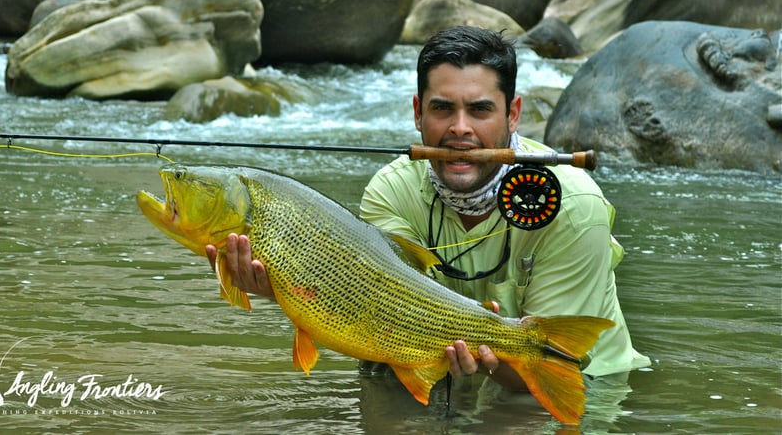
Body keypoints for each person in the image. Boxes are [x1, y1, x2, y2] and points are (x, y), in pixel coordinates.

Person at [209, 25, 650, 396]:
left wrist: (489, 348)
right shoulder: (392, 191)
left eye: (480, 110)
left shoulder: (572, 205)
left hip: (586, 385)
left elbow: (556, 363)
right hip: (445, 374)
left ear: (513, 115)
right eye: (442, 109)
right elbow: (370, 319)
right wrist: (287, 286)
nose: (460, 129)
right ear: (419, 113)